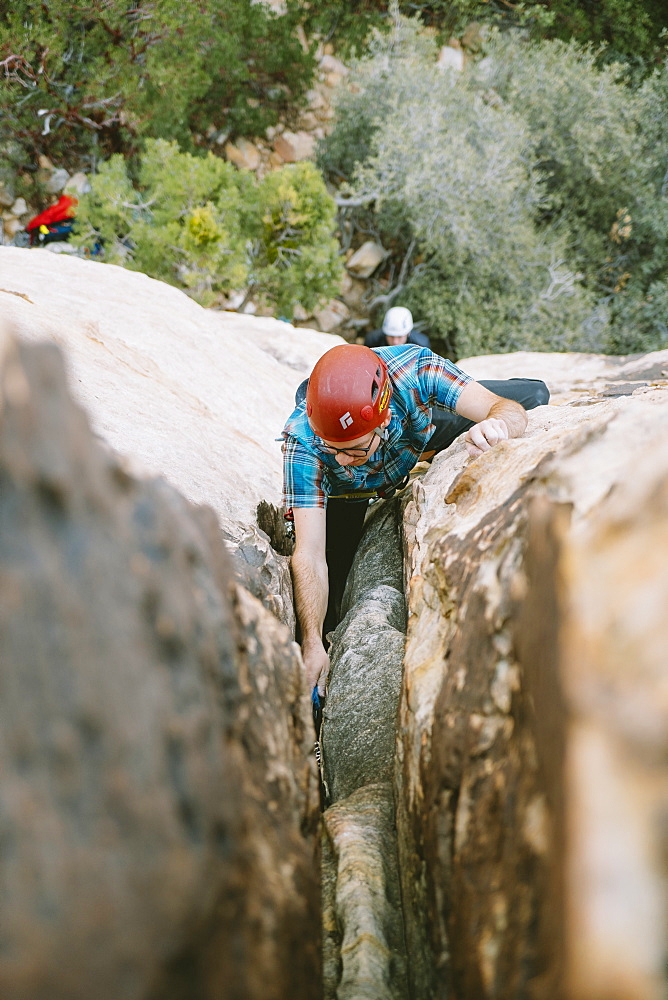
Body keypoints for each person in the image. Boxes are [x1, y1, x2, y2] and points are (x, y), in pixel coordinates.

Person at [281, 343, 549, 695]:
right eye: (334, 449)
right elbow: (310, 555)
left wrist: (497, 427)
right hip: (347, 493)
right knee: (332, 601)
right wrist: (311, 642)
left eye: (353, 450)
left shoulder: (417, 372)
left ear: (384, 418)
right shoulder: (305, 444)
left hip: (415, 435)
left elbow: (506, 408)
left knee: (535, 393)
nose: (342, 460)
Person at [364, 306, 431, 349]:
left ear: (408, 333)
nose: (395, 342)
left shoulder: (421, 346)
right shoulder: (373, 340)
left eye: (399, 337)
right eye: (391, 336)